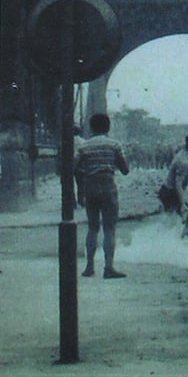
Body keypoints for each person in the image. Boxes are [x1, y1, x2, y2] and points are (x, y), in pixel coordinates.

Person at [75, 113, 130, 279]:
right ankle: (108, 267)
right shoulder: (115, 145)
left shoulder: (84, 147)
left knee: (92, 227)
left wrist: (87, 172)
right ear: (108, 127)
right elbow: (125, 170)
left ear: (91, 127)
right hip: (108, 186)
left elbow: (73, 166)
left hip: (90, 187)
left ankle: (89, 266)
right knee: (109, 229)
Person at [158, 133, 188, 238]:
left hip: (167, 192)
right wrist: (182, 204)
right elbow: (178, 184)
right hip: (171, 194)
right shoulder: (184, 162)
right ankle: (181, 244)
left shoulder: (184, 154)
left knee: (171, 222)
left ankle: (168, 243)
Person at [73, 125, 86, 208]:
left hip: (69, 162)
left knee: (69, 183)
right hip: (80, 163)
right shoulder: (83, 141)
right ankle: (81, 200)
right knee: (81, 183)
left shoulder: (68, 141)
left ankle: (72, 202)